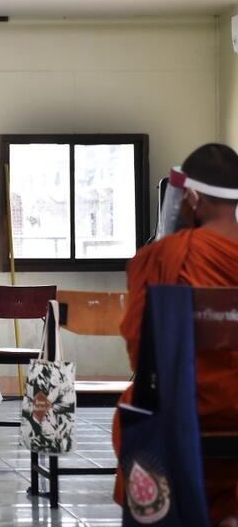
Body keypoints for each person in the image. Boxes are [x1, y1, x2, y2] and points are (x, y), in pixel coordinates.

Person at [114, 143, 238, 527]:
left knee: (132, 406)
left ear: (193, 197)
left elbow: (141, 352)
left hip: (186, 409)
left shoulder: (164, 257)